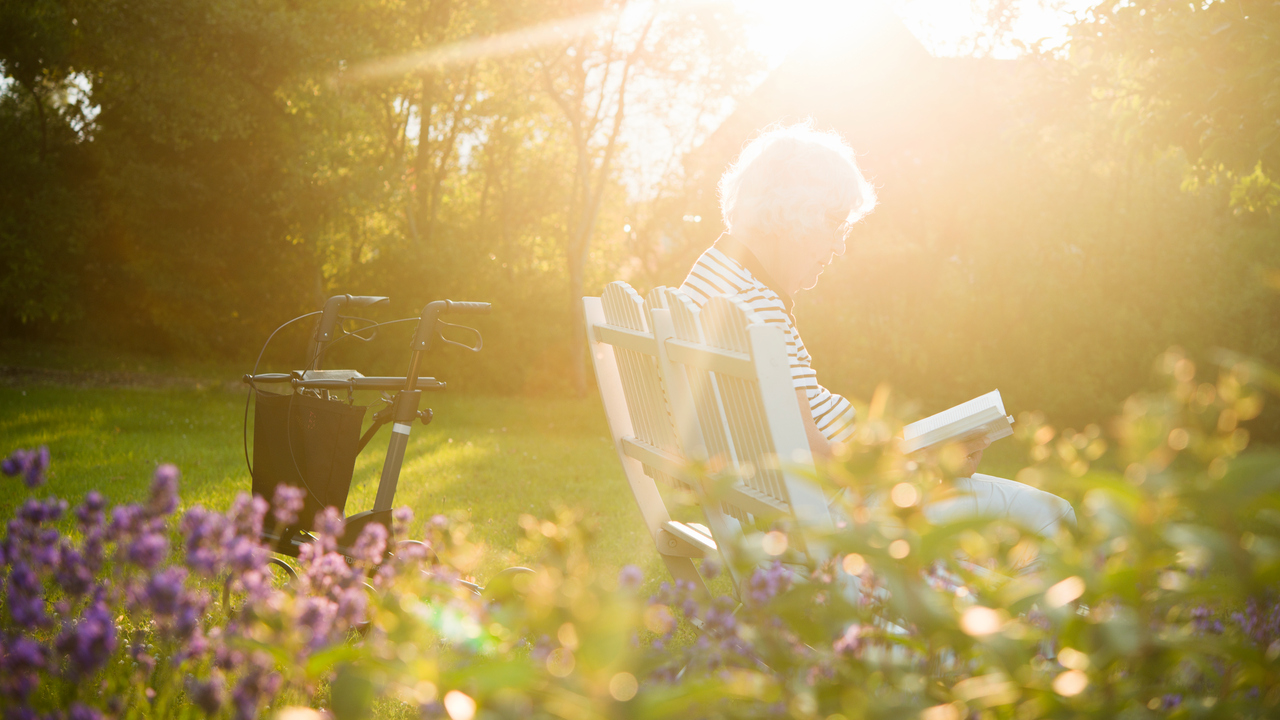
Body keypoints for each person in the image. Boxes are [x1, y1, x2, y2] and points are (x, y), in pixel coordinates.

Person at [679, 123, 1075, 537]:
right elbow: (811, 454)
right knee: (1053, 515)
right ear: (792, 211)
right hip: (844, 513)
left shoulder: (710, 283)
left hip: (791, 505)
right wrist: (923, 467)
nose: (839, 247)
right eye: (836, 223)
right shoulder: (755, 307)